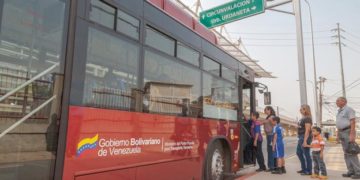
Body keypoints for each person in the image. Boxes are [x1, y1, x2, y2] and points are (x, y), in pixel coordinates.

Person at [336, 97, 360, 179]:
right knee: (346, 153)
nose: (336, 102)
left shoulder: (349, 109)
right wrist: (338, 134)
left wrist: (352, 134)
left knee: (352, 152)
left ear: (344, 101)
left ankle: (358, 172)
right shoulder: (339, 111)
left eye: (338, 101)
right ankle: (350, 171)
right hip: (341, 132)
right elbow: (339, 123)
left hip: (347, 131)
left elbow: (353, 122)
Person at [297, 104, 313, 175]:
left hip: (304, 137)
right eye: (300, 109)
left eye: (302, 109)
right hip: (300, 136)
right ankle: (303, 169)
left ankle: (308, 171)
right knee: (299, 153)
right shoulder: (303, 118)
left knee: (306, 154)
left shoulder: (307, 118)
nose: (301, 110)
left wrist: (305, 140)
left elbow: (307, 130)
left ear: (306, 110)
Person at [262, 106, 277, 172]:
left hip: (271, 135)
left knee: (271, 151)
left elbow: (274, 125)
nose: (265, 111)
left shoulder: (271, 117)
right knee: (271, 151)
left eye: (265, 110)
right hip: (269, 135)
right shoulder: (269, 117)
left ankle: (271, 167)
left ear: (269, 110)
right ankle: (274, 166)